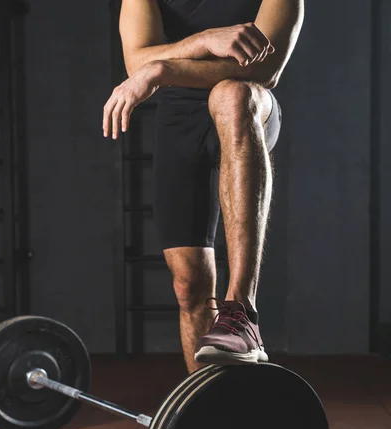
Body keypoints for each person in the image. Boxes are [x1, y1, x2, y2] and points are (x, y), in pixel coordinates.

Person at [103, 0, 304, 373]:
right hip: (179, 118)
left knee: (230, 93)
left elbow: (265, 68)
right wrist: (203, 41)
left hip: (248, 103)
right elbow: (136, 61)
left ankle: (242, 311)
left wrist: (162, 67)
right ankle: (207, 408)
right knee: (188, 284)